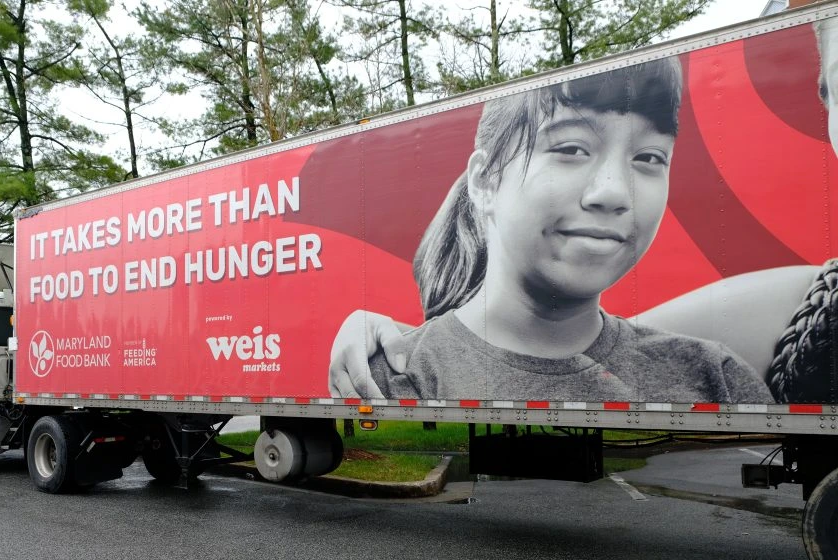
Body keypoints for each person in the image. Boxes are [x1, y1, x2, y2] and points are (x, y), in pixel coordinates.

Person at [328, 57, 774, 404]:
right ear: (485, 181)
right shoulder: (401, 376)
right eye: (572, 148)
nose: (615, 193)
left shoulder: (715, 376)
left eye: (649, 158)